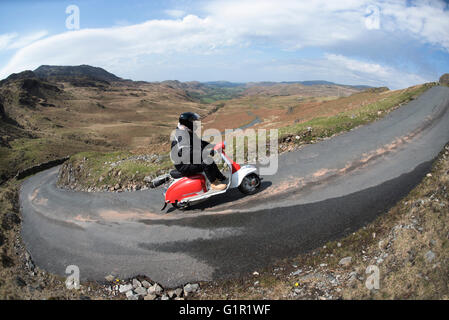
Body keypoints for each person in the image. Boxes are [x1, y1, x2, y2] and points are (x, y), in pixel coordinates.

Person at [170, 112, 227, 191]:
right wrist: (206, 152)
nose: (195, 124)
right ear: (187, 122)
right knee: (206, 162)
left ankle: (220, 178)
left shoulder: (187, 131)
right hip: (183, 165)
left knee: (209, 160)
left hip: (187, 160)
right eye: (193, 121)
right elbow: (188, 154)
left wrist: (213, 146)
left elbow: (200, 142)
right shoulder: (181, 135)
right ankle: (214, 184)